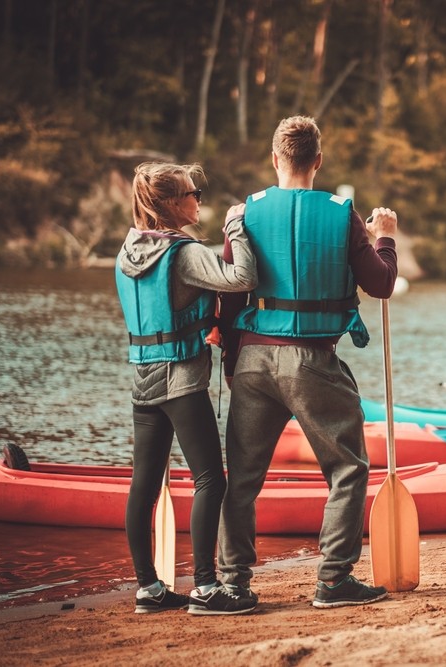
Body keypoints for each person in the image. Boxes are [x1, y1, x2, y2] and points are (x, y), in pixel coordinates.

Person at [217, 115, 399, 609]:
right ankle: (334, 581)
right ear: (318, 161)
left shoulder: (243, 215)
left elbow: (230, 299)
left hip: (254, 358)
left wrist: (233, 363)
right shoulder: (344, 216)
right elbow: (381, 284)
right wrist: (385, 237)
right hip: (312, 361)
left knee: (243, 478)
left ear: (274, 159)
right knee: (347, 469)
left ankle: (234, 584)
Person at [115, 161, 259, 615]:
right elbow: (243, 279)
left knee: (145, 484)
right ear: (174, 203)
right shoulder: (185, 252)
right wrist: (236, 228)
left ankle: (148, 589)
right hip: (181, 381)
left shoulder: (129, 247)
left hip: (143, 380)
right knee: (210, 480)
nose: (200, 198)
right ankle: (205, 586)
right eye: (194, 192)